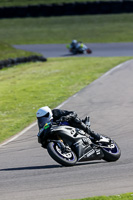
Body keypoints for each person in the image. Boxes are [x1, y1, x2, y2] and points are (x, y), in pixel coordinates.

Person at [36, 106, 101, 141]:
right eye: (41, 119)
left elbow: (73, 113)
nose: (43, 120)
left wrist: (66, 117)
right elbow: (42, 131)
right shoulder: (45, 124)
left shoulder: (56, 112)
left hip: (71, 125)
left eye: (44, 117)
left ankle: (93, 134)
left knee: (74, 120)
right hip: (62, 132)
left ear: (48, 113)